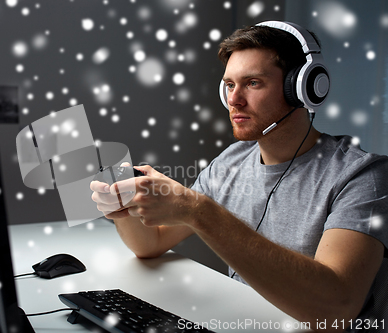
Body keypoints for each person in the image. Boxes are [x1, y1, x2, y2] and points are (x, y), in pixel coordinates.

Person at [90, 21, 388, 332]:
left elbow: (336, 310)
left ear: (302, 88)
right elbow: (151, 243)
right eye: (230, 85)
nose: (234, 100)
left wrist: (198, 211)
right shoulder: (230, 163)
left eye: (253, 83)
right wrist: (123, 208)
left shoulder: (363, 177)